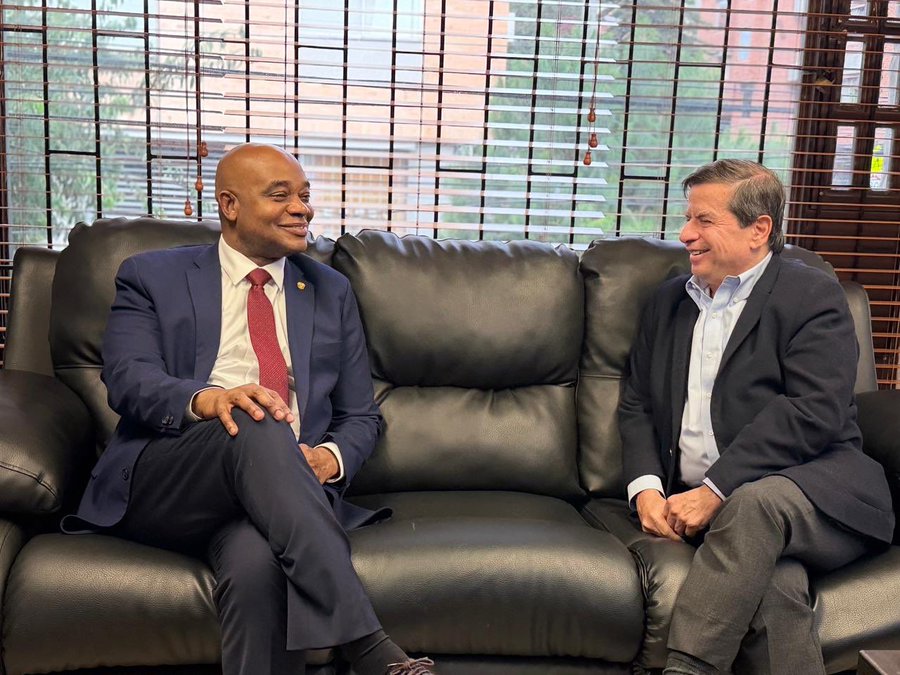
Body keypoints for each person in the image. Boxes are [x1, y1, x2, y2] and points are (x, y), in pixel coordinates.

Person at [64, 143, 436, 675]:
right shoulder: (151, 276)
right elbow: (127, 378)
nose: (302, 209)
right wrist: (210, 399)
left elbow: (360, 415)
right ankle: (369, 647)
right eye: (280, 196)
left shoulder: (330, 291)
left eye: (305, 196)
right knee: (256, 416)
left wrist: (327, 459)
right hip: (173, 474)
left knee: (256, 562)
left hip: (279, 487)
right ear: (230, 205)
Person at [618, 159, 894, 674]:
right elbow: (637, 401)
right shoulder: (669, 302)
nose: (685, 234)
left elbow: (814, 410)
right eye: (687, 218)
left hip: (816, 495)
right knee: (775, 584)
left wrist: (715, 489)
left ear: (759, 229)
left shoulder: (811, 296)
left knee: (753, 505)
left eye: (704, 220)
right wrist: (646, 488)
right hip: (714, 514)